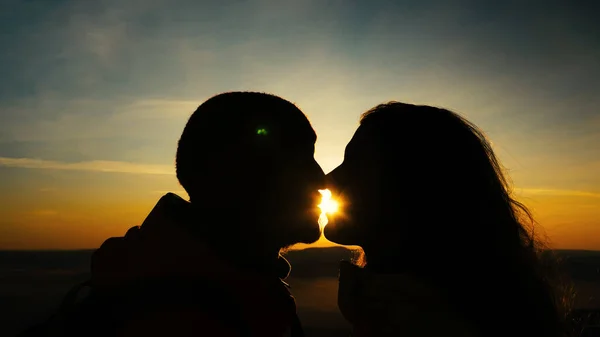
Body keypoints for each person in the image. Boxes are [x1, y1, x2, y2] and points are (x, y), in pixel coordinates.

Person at [20, 92, 325, 337]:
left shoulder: (226, 287)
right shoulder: (174, 318)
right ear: (234, 177)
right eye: (300, 160)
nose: (323, 180)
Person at [324, 102, 571, 337]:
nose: (329, 179)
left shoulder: (421, 325)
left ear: (418, 189)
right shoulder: (421, 313)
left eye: (356, 166)